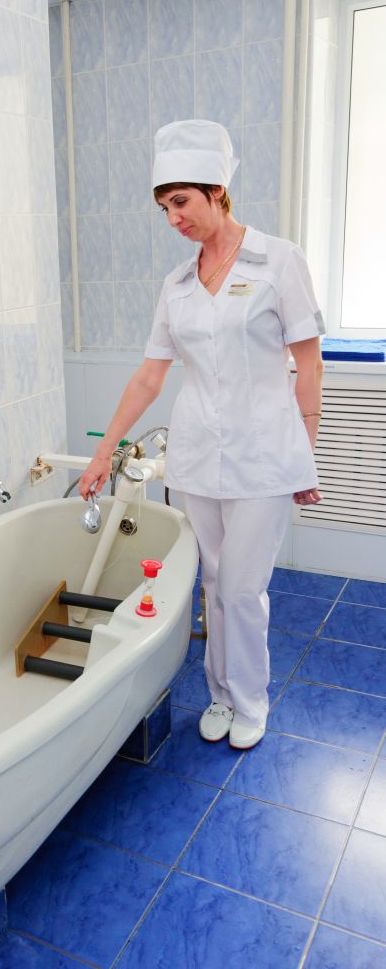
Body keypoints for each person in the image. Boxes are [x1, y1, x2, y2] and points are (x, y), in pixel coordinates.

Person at [79, 119, 325, 750]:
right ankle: (219, 694)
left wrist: (305, 455)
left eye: (181, 202)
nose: (174, 219)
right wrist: (104, 452)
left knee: (243, 588)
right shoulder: (177, 284)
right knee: (213, 583)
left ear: (218, 191)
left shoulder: (279, 261)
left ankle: (250, 700)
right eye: (164, 208)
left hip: (265, 455)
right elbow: (149, 377)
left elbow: (309, 364)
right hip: (197, 454)